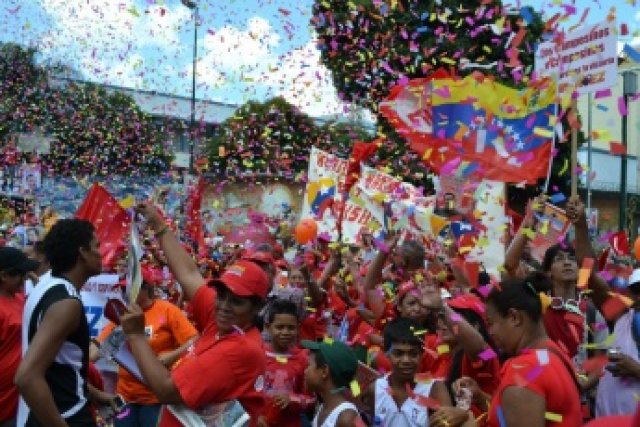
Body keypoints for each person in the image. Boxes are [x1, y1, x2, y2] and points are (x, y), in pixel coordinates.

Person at [119, 202, 268, 426]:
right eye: (221, 295)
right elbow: (189, 274)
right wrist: (159, 226)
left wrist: (136, 335)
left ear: (256, 308)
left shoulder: (239, 350)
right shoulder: (225, 320)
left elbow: (167, 391)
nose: (224, 306)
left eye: (236, 302)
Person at [15, 219, 112, 427]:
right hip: (66, 416)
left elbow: (59, 366)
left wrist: (93, 394)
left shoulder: (45, 285)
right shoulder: (67, 304)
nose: (101, 253)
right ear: (83, 253)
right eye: (96, 246)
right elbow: (27, 377)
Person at [91, 266, 198, 427]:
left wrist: (172, 356)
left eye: (127, 288)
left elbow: (195, 340)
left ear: (146, 288)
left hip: (157, 398)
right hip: (126, 397)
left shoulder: (167, 310)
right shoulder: (122, 315)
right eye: (120, 289)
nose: (123, 293)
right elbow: (98, 347)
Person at [567, 196, 640, 417]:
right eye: (636, 289)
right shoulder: (620, 316)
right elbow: (588, 274)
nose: (638, 296)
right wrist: (580, 226)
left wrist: (636, 370)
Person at [483, 273, 582, 426]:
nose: (491, 332)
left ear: (514, 317)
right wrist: (480, 398)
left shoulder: (523, 369)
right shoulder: (550, 351)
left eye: (491, 323)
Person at [362, 317, 470, 427]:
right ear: (386, 353)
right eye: (398, 354)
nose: (406, 360)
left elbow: (448, 423)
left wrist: (462, 414)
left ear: (422, 354)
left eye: (413, 354)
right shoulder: (375, 388)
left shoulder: (434, 388)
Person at [259, 299, 315, 427]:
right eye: (279, 327)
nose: (285, 332)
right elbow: (245, 392)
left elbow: (311, 399)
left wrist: (292, 399)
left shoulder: (303, 359)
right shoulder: (258, 354)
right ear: (268, 327)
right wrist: (254, 415)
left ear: (298, 328)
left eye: (291, 328)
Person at [0, 248, 39, 427]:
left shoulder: (19, 297)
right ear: (4, 276)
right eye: (20, 274)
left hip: (19, 394)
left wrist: (37, 284)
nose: (25, 277)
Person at [301, 340, 361, 427]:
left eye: (308, 365)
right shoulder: (323, 406)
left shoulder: (348, 419)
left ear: (324, 371)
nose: (305, 371)